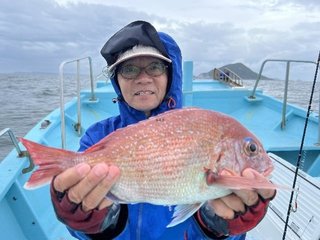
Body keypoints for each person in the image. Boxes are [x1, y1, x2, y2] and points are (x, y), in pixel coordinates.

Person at [50, 20, 276, 240]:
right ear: (117, 80)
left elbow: (222, 228)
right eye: (129, 69)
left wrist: (220, 226)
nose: (143, 79)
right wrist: (89, 222)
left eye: (155, 67)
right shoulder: (98, 136)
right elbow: (86, 233)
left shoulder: (200, 127)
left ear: (170, 74)